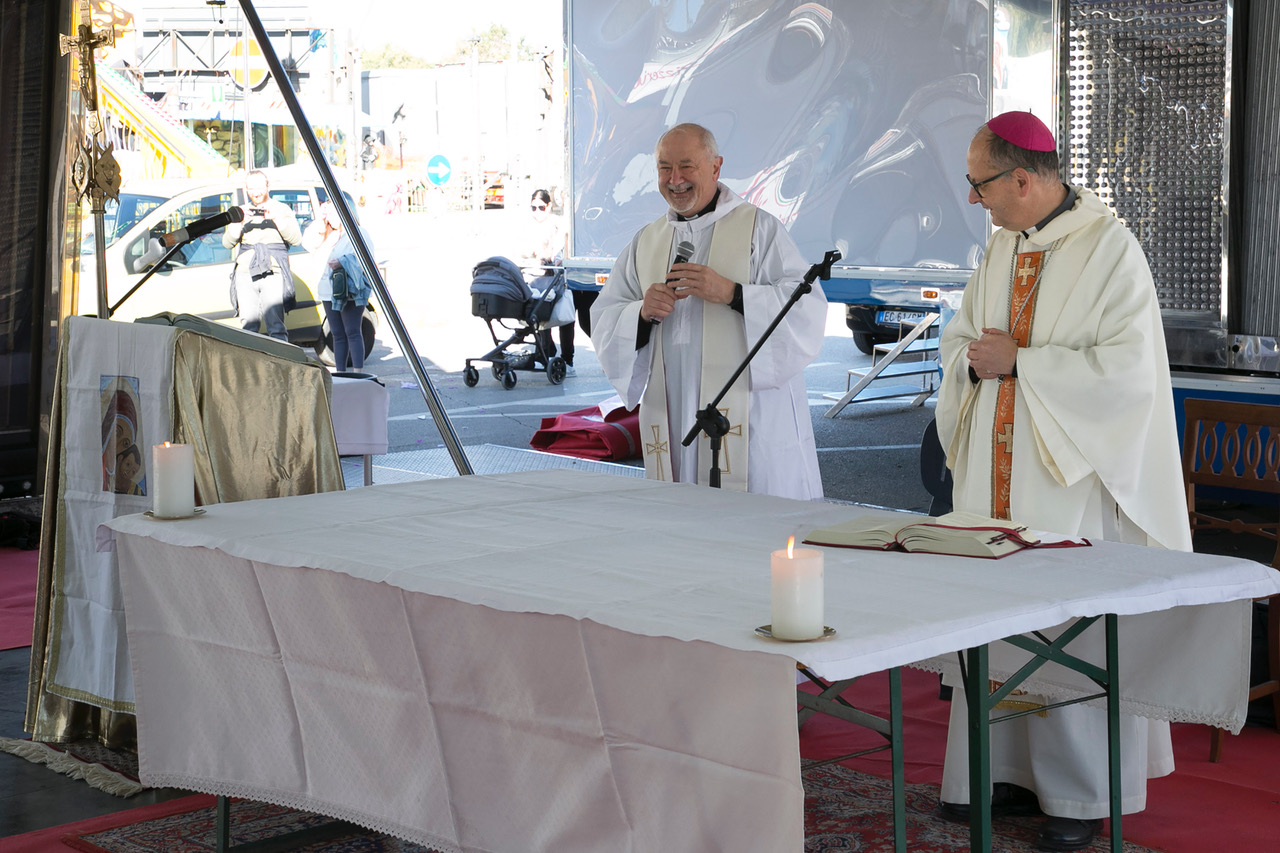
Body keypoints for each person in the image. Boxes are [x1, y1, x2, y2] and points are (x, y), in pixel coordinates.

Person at [934, 111, 1192, 851]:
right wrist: (974, 360)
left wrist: (1025, 363)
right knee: (999, 621)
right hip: (995, 478)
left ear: (1023, 178)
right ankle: (1002, 772)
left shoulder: (1110, 250)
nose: (976, 200)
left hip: (1067, 479)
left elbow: (1130, 376)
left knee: (1064, 622)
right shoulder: (1002, 246)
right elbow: (964, 339)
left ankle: (1078, 795)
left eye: (980, 185)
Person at [591, 123, 826, 500]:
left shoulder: (758, 230)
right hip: (673, 411)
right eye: (665, 168)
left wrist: (733, 294)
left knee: (754, 515)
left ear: (716, 168)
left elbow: (807, 307)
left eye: (687, 166)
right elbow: (605, 316)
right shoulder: (647, 240)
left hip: (748, 412)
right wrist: (639, 313)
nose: (676, 179)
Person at [223, 171, 302, 342]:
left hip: (273, 273)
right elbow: (227, 243)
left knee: (276, 326)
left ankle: (281, 366)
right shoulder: (241, 211)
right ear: (246, 190)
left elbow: (296, 239)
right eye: (251, 188)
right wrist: (238, 221)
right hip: (245, 273)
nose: (255, 192)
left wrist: (276, 219)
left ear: (268, 187)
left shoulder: (282, 209)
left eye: (259, 187)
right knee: (248, 326)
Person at [303, 201, 376, 372]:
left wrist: (342, 262)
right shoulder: (327, 234)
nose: (330, 217)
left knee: (352, 331)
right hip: (328, 292)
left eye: (334, 212)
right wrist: (319, 221)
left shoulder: (358, 233)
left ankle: (358, 372)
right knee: (337, 334)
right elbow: (306, 243)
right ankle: (341, 372)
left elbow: (365, 259)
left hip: (350, 291)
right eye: (328, 213)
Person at [519, 189, 573, 374]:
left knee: (564, 317)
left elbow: (562, 249)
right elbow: (523, 250)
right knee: (539, 315)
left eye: (541, 207)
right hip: (536, 277)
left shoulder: (557, 225)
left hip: (555, 276)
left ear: (549, 206)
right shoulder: (528, 225)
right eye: (533, 207)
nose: (537, 212)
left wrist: (550, 256)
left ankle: (568, 359)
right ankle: (545, 352)